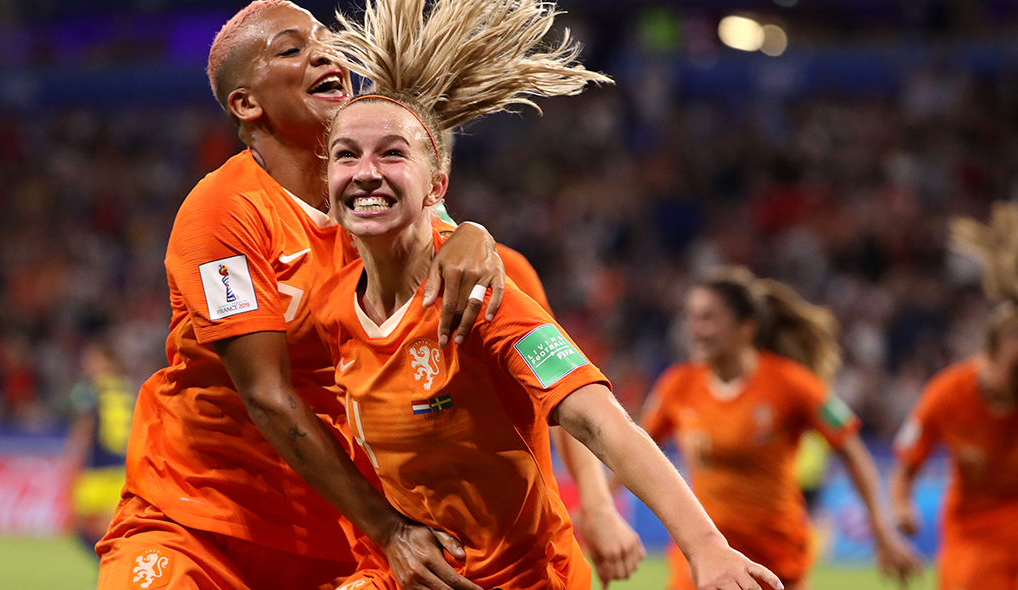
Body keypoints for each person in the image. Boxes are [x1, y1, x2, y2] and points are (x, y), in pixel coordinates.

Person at [301, 0, 784, 587]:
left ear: (438, 186)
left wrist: (705, 546)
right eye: (346, 154)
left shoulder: (484, 289)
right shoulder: (328, 303)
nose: (365, 171)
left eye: (393, 153)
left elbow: (598, 421)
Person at [95, 1, 509, 589]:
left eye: (324, 40)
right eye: (291, 49)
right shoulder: (223, 213)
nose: (323, 52)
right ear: (246, 104)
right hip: (197, 519)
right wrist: (389, 531)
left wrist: (477, 236)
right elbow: (267, 396)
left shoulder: (373, 205)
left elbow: (445, 249)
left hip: (337, 534)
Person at [641, 267, 922, 590]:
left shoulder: (791, 383)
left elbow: (852, 449)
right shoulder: (677, 385)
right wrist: (600, 506)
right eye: (691, 317)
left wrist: (883, 532)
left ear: (746, 328)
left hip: (775, 561)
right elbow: (633, 447)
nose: (694, 330)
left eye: (707, 318)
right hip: (701, 559)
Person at [435, 205, 648, 585]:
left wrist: (597, 504)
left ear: (436, 180)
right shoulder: (333, 278)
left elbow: (562, 395)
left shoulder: (503, 272)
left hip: (515, 561)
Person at [891, 202, 1018, 590]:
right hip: (972, 531)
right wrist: (901, 506)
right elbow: (907, 462)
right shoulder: (947, 393)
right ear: (989, 354)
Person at [61, 338, 135, 560]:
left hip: (96, 470)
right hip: (121, 468)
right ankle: (111, 571)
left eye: (93, 358)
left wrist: (70, 458)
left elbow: (84, 426)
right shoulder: (126, 388)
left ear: (106, 360)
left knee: (78, 527)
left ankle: (110, 570)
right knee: (108, 530)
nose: (88, 363)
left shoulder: (90, 389)